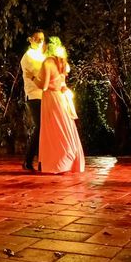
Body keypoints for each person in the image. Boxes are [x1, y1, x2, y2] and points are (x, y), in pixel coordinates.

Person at [36, 37, 85, 174]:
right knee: (65, 127)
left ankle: (58, 162)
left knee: (53, 130)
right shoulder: (63, 63)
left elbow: (44, 86)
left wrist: (33, 78)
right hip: (61, 98)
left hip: (51, 99)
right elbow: (62, 82)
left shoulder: (47, 63)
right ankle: (70, 159)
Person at [20, 29, 46, 171]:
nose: (41, 41)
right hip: (34, 95)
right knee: (40, 126)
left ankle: (43, 161)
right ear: (31, 40)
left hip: (45, 95)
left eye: (42, 39)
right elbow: (38, 75)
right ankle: (28, 160)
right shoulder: (28, 57)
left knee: (45, 128)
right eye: (38, 39)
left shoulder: (42, 56)